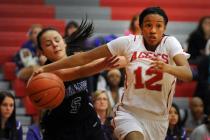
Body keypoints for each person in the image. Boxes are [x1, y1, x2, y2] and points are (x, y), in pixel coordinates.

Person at [34, 7, 193, 140]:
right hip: (129, 113)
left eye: (158, 26)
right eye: (148, 25)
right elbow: (83, 60)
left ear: (165, 27)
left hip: (157, 118)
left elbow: (188, 74)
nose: (153, 30)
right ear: (140, 26)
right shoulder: (128, 42)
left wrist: (167, 68)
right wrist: (44, 69)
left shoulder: (171, 44)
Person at [35, 19, 125, 140]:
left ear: (64, 42)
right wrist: (103, 65)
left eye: (57, 40)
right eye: (48, 44)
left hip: (88, 122)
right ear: (42, 52)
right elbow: (79, 71)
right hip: (61, 129)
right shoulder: (46, 72)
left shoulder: (77, 57)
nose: (55, 44)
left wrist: (116, 56)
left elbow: (89, 59)